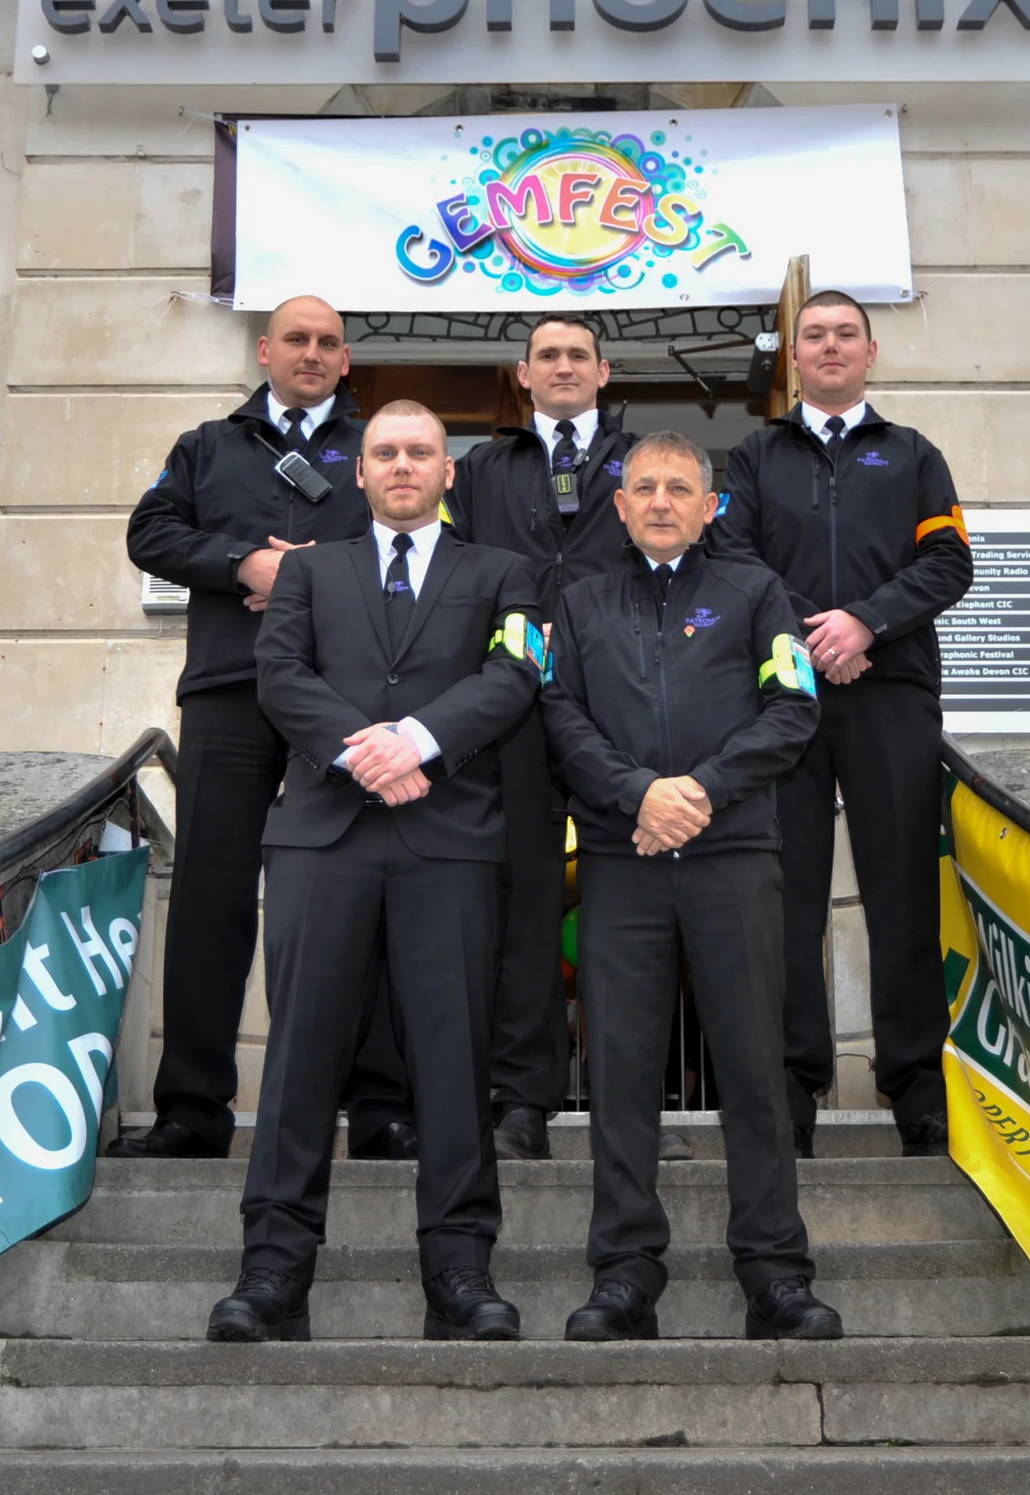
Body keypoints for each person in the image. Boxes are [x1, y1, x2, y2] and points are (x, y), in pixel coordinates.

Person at [211, 401, 548, 1343]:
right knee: (299, 1056)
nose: (403, 465)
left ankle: (460, 1271)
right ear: (358, 472)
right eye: (386, 452)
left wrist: (419, 739)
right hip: (324, 839)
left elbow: (514, 676)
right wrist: (365, 754)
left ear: (449, 470)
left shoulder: (505, 574)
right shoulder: (308, 571)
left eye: (421, 452)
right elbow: (280, 675)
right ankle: (273, 1271)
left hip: (449, 841)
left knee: (453, 1057)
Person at [542, 430, 841, 1341]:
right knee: (619, 1070)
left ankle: (775, 1273)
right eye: (644, 487)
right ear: (619, 505)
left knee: (753, 1067)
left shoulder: (758, 594)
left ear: (711, 507)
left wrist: (699, 792)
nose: (661, 501)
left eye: (680, 487)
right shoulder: (579, 602)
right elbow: (559, 715)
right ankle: (625, 1274)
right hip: (621, 860)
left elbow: (793, 708)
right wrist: (639, 793)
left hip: (732, 857)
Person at [116, 296, 413, 1163]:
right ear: (265, 351)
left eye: (328, 342)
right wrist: (244, 563)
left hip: (342, 701)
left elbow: (418, 545)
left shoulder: (378, 449)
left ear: (346, 359)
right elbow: (150, 532)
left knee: (361, 894)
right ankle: (192, 1109)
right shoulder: (206, 447)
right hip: (229, 690)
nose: (311, 353)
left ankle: (379, 1105)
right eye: (296, 339)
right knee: (209, 898)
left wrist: (313, 583)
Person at [710, 291, 975, 1159]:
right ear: (793, 356)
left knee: (903, 891)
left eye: (845, 334)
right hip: (783, 697)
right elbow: (731, 558)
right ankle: (789, 1092)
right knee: (784, 897)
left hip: (890, 691)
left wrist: (866, 622)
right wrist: (819, 636)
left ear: (870, 352)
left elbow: (949, 561)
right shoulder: (754, 456)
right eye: (814, 335)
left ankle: (918, 1090)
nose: (830, 346)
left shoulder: (914, 455)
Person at [445, 315, 639, 1163]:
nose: (564, 366)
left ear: (605, 370)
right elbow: (448, 574)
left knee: (631, 911)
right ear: (522, 374)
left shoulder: (646, 463)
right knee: (525, 906)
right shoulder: (482, 470)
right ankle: (521, 1100)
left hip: (624, 710)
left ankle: (632, 1106)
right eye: (547, 355)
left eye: (578, 355)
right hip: (513, 716)